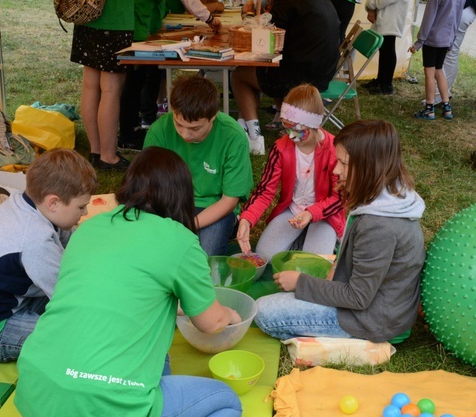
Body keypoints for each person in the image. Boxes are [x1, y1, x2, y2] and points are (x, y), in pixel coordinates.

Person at [14, 147, 243, 417]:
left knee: (155, 357)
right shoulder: (179, 240)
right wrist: (230, 314)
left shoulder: (88, 228)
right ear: (181, 195)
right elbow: (210, 323)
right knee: (227, 403)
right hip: (106, 408)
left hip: (40, 399)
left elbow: (116, 295)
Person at [255, 119, 425, 342]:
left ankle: (349, 341)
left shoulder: (379, 226)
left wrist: (300, 282)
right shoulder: (385, 195)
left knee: (264, 312)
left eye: (344, 164)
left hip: (373, 320)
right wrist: (335, 268)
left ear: (369, 166)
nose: (336, 170)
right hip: (381, 306)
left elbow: (358, 297)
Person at [0, 149, 97, 362]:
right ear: (53, 203)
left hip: (9, 300)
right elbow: (70, 295)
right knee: (77, 334)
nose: (85, 213)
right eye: (81, 207)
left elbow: (72, 250)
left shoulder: (31, 204)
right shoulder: (34, 239)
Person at [144, 74, 253, 256]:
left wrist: (189, 225)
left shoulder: (233, 136)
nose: (185, 134)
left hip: (214, 207)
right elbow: (149, 187)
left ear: (213, 116)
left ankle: (228, 227)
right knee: (151, 250)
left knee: (203, 257)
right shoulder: (159, 131)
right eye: (178, 124)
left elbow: (230, 199)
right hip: (171, 203)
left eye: (195, 128)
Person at [236, 84, 345, 263]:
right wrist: (247, 218)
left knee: (314, 264)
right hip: (293, 212)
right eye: (287, 129)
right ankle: (302, 241)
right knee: (265, 255)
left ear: (315, 125)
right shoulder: (281, 147)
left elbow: (339, 197)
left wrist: (311, 213)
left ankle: (317, 241)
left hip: (324, 216)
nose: (292, 137)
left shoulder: (334, 151)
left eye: (299, 132)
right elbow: (265, 191)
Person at [231, 0, 340, 155]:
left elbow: (263, 33)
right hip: (324, 72)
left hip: (300, 76)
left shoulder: (287, 2)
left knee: (239, 75)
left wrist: (247, 14)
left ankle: (255, 138)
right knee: (260, 69)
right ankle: (250, 125)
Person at [118, 0, 224, 151]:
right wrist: (210, 19)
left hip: (142, 25)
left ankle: (133, 129)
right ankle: (127, 135)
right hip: (135, 24)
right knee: (133, 82)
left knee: (137, 80)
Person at [70, 0, 134, 171]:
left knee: (90, 86)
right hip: (115, 20)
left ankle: (96, 151)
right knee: (110, 90)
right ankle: (108, 156)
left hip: (86, 16)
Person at [409, 0, 465, 120]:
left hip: (432, 39)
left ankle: (429, 108)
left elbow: (428, 18)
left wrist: (419, 41)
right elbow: (457, 18)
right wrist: (451, 41)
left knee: (429, 73)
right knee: (439, 71)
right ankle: (447, 108)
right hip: (446, 39)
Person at [432, 0, 476, 105]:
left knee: (449, 52)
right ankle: (442, 93)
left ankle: (440, 95)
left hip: (463, 8)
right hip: (465, 8)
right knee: (449, 51)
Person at [362, 0, 409, 95]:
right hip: (387, 16)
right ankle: (381, 81)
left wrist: (372, 5)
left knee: (388, 50)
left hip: (391, 17)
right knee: (384, 50)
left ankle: (386, 85)